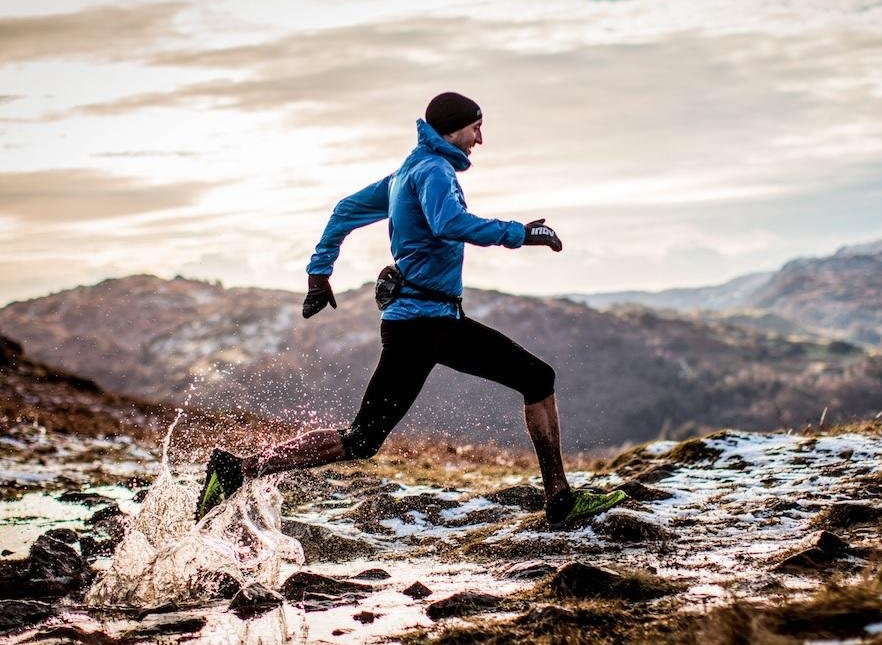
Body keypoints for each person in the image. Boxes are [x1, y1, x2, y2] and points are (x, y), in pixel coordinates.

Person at [196, 92, 626, 526]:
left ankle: (237, 469)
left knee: (362, 439)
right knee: (537, 378)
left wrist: (319, 271)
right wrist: (522, 233)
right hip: (429, 324)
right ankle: (560, 500)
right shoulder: (434, 171)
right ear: (456, 128)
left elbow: (346, 210)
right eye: (477, 127)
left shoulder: (408, 171)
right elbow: (449, 223)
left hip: (416, 324)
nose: (481, 138)